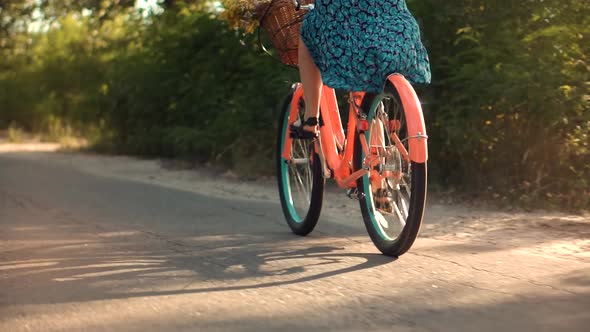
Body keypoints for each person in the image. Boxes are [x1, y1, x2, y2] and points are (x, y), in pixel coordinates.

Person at [291, 0, 431, 138]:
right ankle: (374, 120)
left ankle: (310, 119)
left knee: (308, 30)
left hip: (342, 21)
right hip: (393, 28)